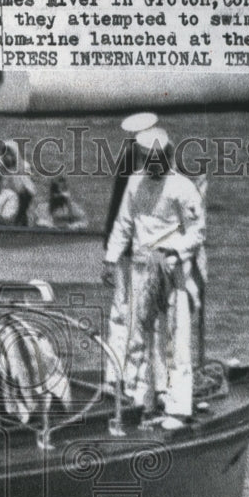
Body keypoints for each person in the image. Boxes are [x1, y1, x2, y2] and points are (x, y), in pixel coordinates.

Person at [102, 128, 206, 428]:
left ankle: (178, 407)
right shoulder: (135, 182)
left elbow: (196, 231)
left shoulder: (184, 188)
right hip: (140, 266)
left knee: (176, 338)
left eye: (156, 160)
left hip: (171, 268)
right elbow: (124, 224)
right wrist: (111, 259)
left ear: (167, 157)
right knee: (138, 335)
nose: (152, 166)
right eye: (147, 160)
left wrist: (175, 252)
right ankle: (140, 399)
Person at [103, 112, 159, 390]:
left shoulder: (133, 160)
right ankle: (124, 377)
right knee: (129, 312)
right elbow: (121, 209)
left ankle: (122, 377)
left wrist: (109, 251)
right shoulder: (140, 163)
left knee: (127, 312)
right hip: (134, 249)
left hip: (136, 248)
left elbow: (118, 209)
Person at [0, 139, 37, 226]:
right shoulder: (1, 171)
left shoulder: (23, 168)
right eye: (4, 153)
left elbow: (29, 191)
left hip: (20, 204)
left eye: (10, 153)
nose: (7, 156)